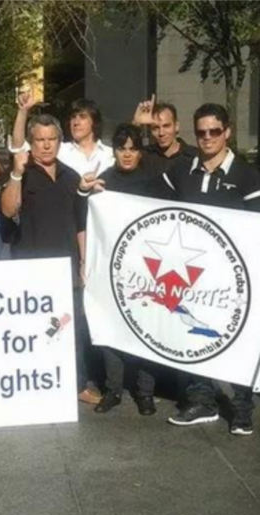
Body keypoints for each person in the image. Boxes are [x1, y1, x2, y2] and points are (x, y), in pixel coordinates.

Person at [161, 103, 260, 436]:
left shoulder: (246, 175)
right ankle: (200, 401)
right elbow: (150, 206)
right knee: (191, 333)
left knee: (239, 337)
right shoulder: (180, 171)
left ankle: (241, 407)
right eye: (201, 132)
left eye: (214, 131)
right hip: (191, 275)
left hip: (234, 276)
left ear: (227, 132)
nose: (207, 138)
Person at [0, 112, 101, 404]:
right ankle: (31, 383)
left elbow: (80, 223)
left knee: (72, 329)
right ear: (31, 143)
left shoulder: (71, 176)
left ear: (60, 141)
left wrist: (84, 262)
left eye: (51, 139)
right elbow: (8, 210)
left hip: (67, 268)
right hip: (32, 269)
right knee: (34, 329)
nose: (46, 146)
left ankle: (78, 383)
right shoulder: (23, 171)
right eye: (40, 140)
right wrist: (16, 175)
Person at [88, 124, 160, 415]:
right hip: (112, 266)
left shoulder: (154, 181)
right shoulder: (103, 181)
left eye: (132, 148)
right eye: (121, 148)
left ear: (139, 151)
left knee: (146, 329)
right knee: (111, 328)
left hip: (146, 267)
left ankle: (145, 392)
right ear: (114, 151)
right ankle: (113, 389)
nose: (127, 154)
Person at [9, 91, 112, 178]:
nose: (76, 122)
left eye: (82, 117)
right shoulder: (60, 150)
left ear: (94, 121)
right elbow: (19, 149)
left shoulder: (110, 154)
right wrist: (23, 111)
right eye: (73, 117)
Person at [132, 96, 198, 175]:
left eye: (166, 126)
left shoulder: (194, 156)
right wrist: (136, 124)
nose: (161, 133)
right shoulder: (145, 156)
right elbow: (126, 149)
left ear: (176, 126)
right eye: (155, 128)